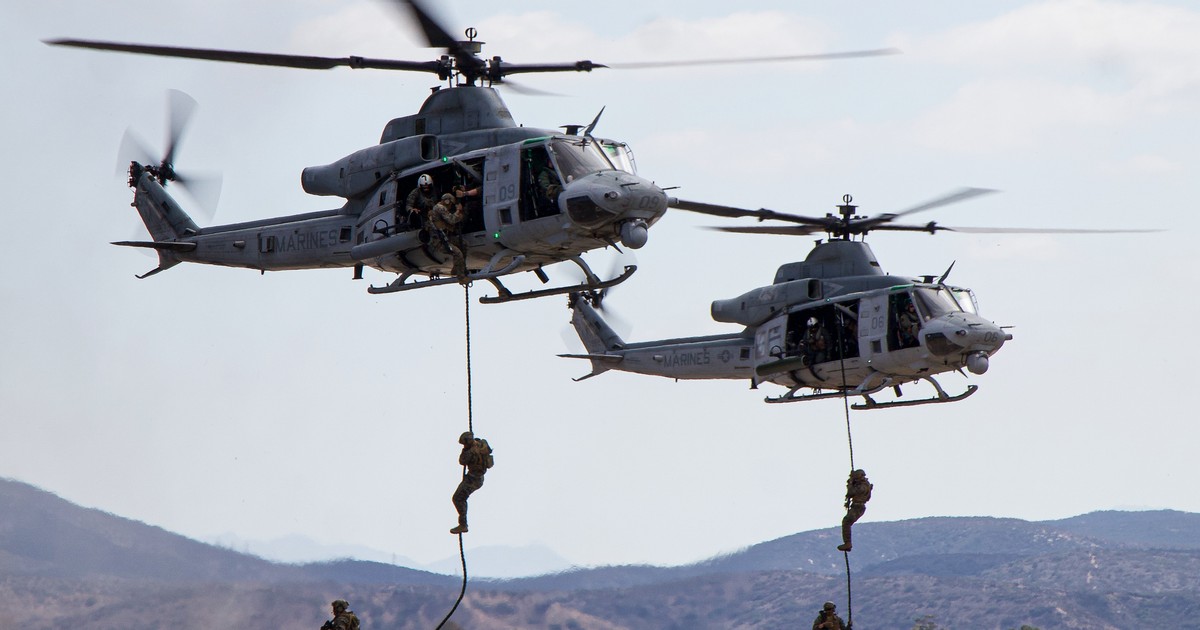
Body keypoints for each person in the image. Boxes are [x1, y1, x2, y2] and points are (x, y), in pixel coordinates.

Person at [451, 431, 494, 535]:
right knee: (460, 497)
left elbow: (462, 461)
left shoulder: (470, 452)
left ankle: (463, 524)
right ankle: (463, 524)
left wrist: (465, 450)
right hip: (479, 478)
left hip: (473, 479)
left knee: (458, 498)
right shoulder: (481, 444)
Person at [428, 192, 467, 278]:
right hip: (440, 241)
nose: (450, 207)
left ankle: (458, 268)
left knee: (463, 244)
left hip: (446, 238)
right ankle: (461, 276)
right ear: (447, 201)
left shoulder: (439, 208)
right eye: (451, 204)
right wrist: (458, 211)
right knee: (458, 253)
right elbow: (451, 220)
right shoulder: (440, 208)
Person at [838, 469, 873, 552]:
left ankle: (848, 543)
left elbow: (850, 492)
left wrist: (850, 484)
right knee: (847, 521)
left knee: (846, 522)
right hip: (858, 506)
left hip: (858, 507)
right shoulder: (865, 485)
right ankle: (847, 543)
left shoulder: (862, 487)